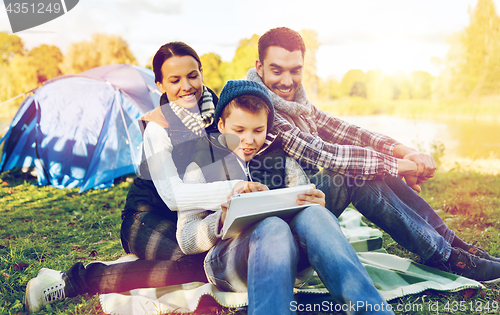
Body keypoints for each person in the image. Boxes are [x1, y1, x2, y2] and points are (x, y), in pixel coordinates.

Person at [244, 27, 500, 282]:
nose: (287, 81)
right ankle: (447, 258)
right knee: (351, 172)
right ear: (260, 66)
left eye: (295, 70)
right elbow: (325, 154)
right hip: (276, 235)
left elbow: (346, 131)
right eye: (277, 70)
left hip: (304, 208)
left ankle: (454, 246)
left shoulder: (297, 104)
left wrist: (405, 151)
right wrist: (405, 167)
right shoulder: (257, 109)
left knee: (370, 165)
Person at [24, 41, 245, 313]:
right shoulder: (157, 128)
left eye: (192, 75)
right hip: (145, 220)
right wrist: (235, 189)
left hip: (193, 223)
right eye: (174, 80)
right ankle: (73, 281)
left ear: (201, 73)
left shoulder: (218, 118)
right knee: (200, 265)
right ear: (160, 85)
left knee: (223, 258)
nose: (186, 86)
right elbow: (173, 196)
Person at [177, 79, 395, 315]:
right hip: (228, 262)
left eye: (258, 130)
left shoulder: (283, 160)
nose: (249, 140)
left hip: (286, 258)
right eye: (238, 131)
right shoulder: (200, 166)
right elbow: (186, 238)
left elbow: (303, 205)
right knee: (272, 226)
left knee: (315, 214)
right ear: (221, 124)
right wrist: (222, 218)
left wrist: (316, 205)